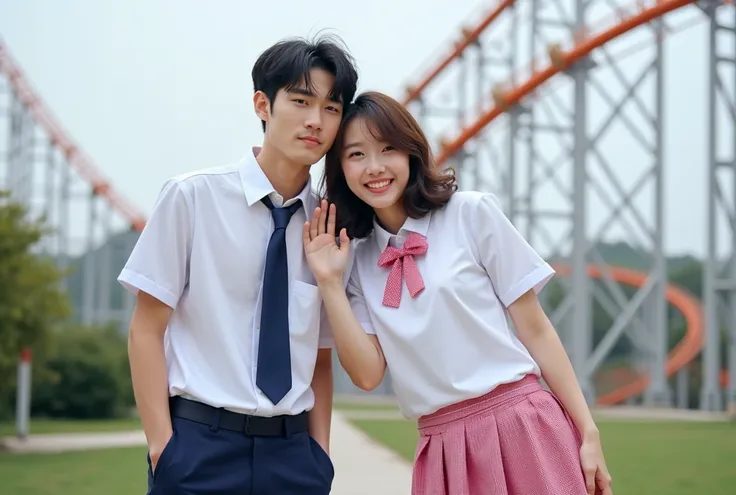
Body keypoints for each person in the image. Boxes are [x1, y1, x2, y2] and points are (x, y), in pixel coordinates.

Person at [302, 91, 614, 495]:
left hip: (523, 425)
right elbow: (366, 374)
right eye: (356, 155)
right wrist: (329, 283)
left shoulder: (471, 214)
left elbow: (535, 329)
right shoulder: (357, 260)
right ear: (341, 168)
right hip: (442, 448)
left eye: (388, 149)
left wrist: (588, 432)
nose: (374, 167)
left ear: (411, 153)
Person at [118, 35, 358, 494]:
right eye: (302, 100)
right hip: (196, 450)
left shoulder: (330, 228)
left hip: (293, 459)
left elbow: (319, 358)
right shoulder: (191, 197)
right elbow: (146, 329)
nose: (316, 121)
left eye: (332, 108)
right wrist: (161, 448)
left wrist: (319, 455)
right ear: (262, 104)